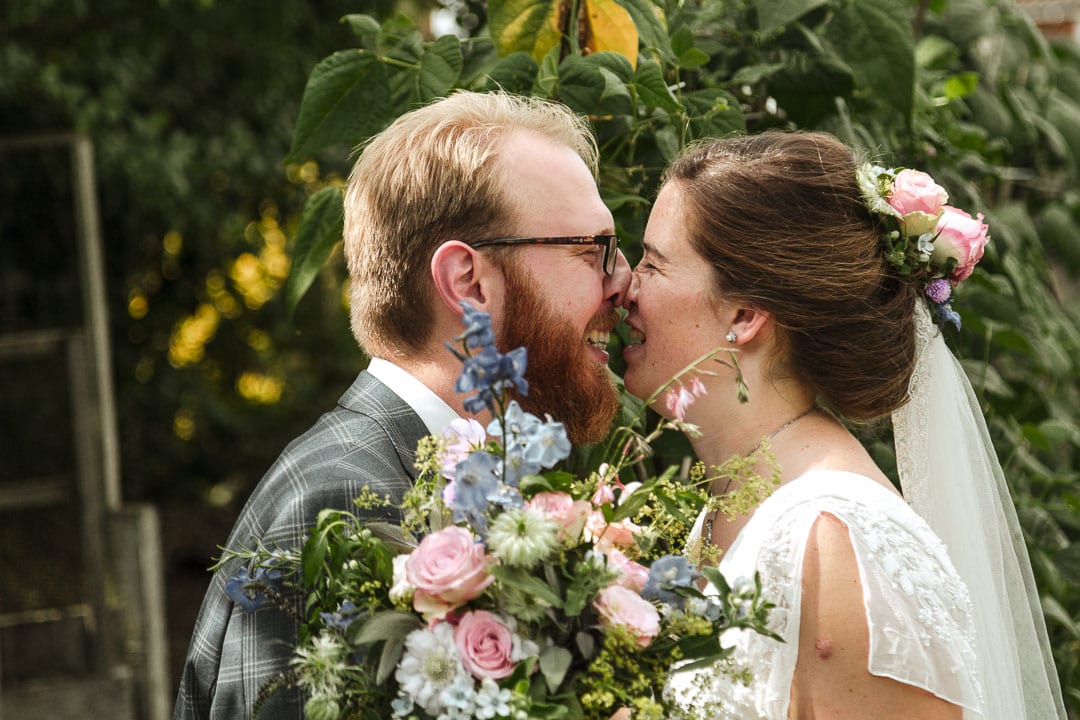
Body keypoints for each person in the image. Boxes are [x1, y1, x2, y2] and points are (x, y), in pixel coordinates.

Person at [173, 90, 631, 720]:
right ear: (469, 282)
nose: (623, 280)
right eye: (591, 250)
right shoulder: (339, 501)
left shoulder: (462, 486)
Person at [621, 132, 1065, 719]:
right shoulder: (733, 507)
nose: (625, 286)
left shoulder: (839, 543)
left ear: (745, 315)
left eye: (653, 263)